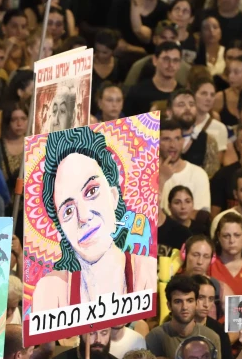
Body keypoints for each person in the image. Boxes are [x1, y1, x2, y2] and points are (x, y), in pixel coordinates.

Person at [29, 124, 156, 312]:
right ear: (60, 229)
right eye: (68, 211)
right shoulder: (51, 290)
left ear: (114, 196)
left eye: (92, 191)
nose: (84, 216)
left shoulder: (146, 272)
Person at [159, 119, 211, 214]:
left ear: (182, 141)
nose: (173, 145)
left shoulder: (198, 174)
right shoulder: (145, 173)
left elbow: (201, 215)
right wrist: (161, 178)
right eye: (166, 139)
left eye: (177, 139)